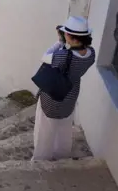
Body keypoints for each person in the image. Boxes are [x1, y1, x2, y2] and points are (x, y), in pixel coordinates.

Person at [33, 16, 96, 161]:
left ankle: (40, 159)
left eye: (66, 33)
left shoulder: (62, 56)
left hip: (51, 99)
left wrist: (60, 42)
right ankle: (61, 156)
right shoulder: (90, 54)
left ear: (70, 37)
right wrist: (66, 42)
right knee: (64, 129)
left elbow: (45, 56)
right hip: (70, 97)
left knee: (44, 132)